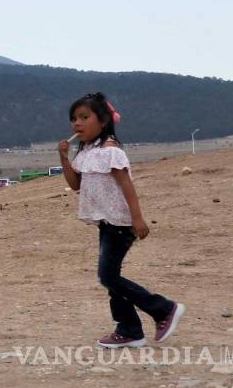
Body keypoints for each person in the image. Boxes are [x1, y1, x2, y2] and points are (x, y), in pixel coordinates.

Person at [58, 92, 185, 349]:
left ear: (103, 121)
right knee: (111, 277)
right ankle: (129, 330)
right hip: (106, 223)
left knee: (107, 276)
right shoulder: (86, 152)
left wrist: (138, 219)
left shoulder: (110, 151)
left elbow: (127, 186)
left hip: (121, 223)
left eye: (84, 117)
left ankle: (163, 309)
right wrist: (63, 157)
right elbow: (75, 185)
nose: (77, 124)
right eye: (74, 119)